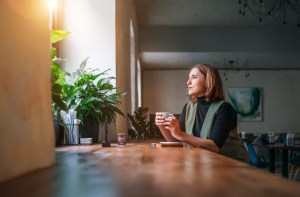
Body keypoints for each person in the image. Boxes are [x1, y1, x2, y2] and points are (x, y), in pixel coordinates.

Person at [155, 64, 249, 162]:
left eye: (194, 77)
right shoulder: (188, 107)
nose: (188, 82)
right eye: (188, 78)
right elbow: (177, 140)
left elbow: (214, 146)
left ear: (209, 80)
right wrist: (162, 126)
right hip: (204, 163)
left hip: (232, 165)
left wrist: (179, 133)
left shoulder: (224, 108)